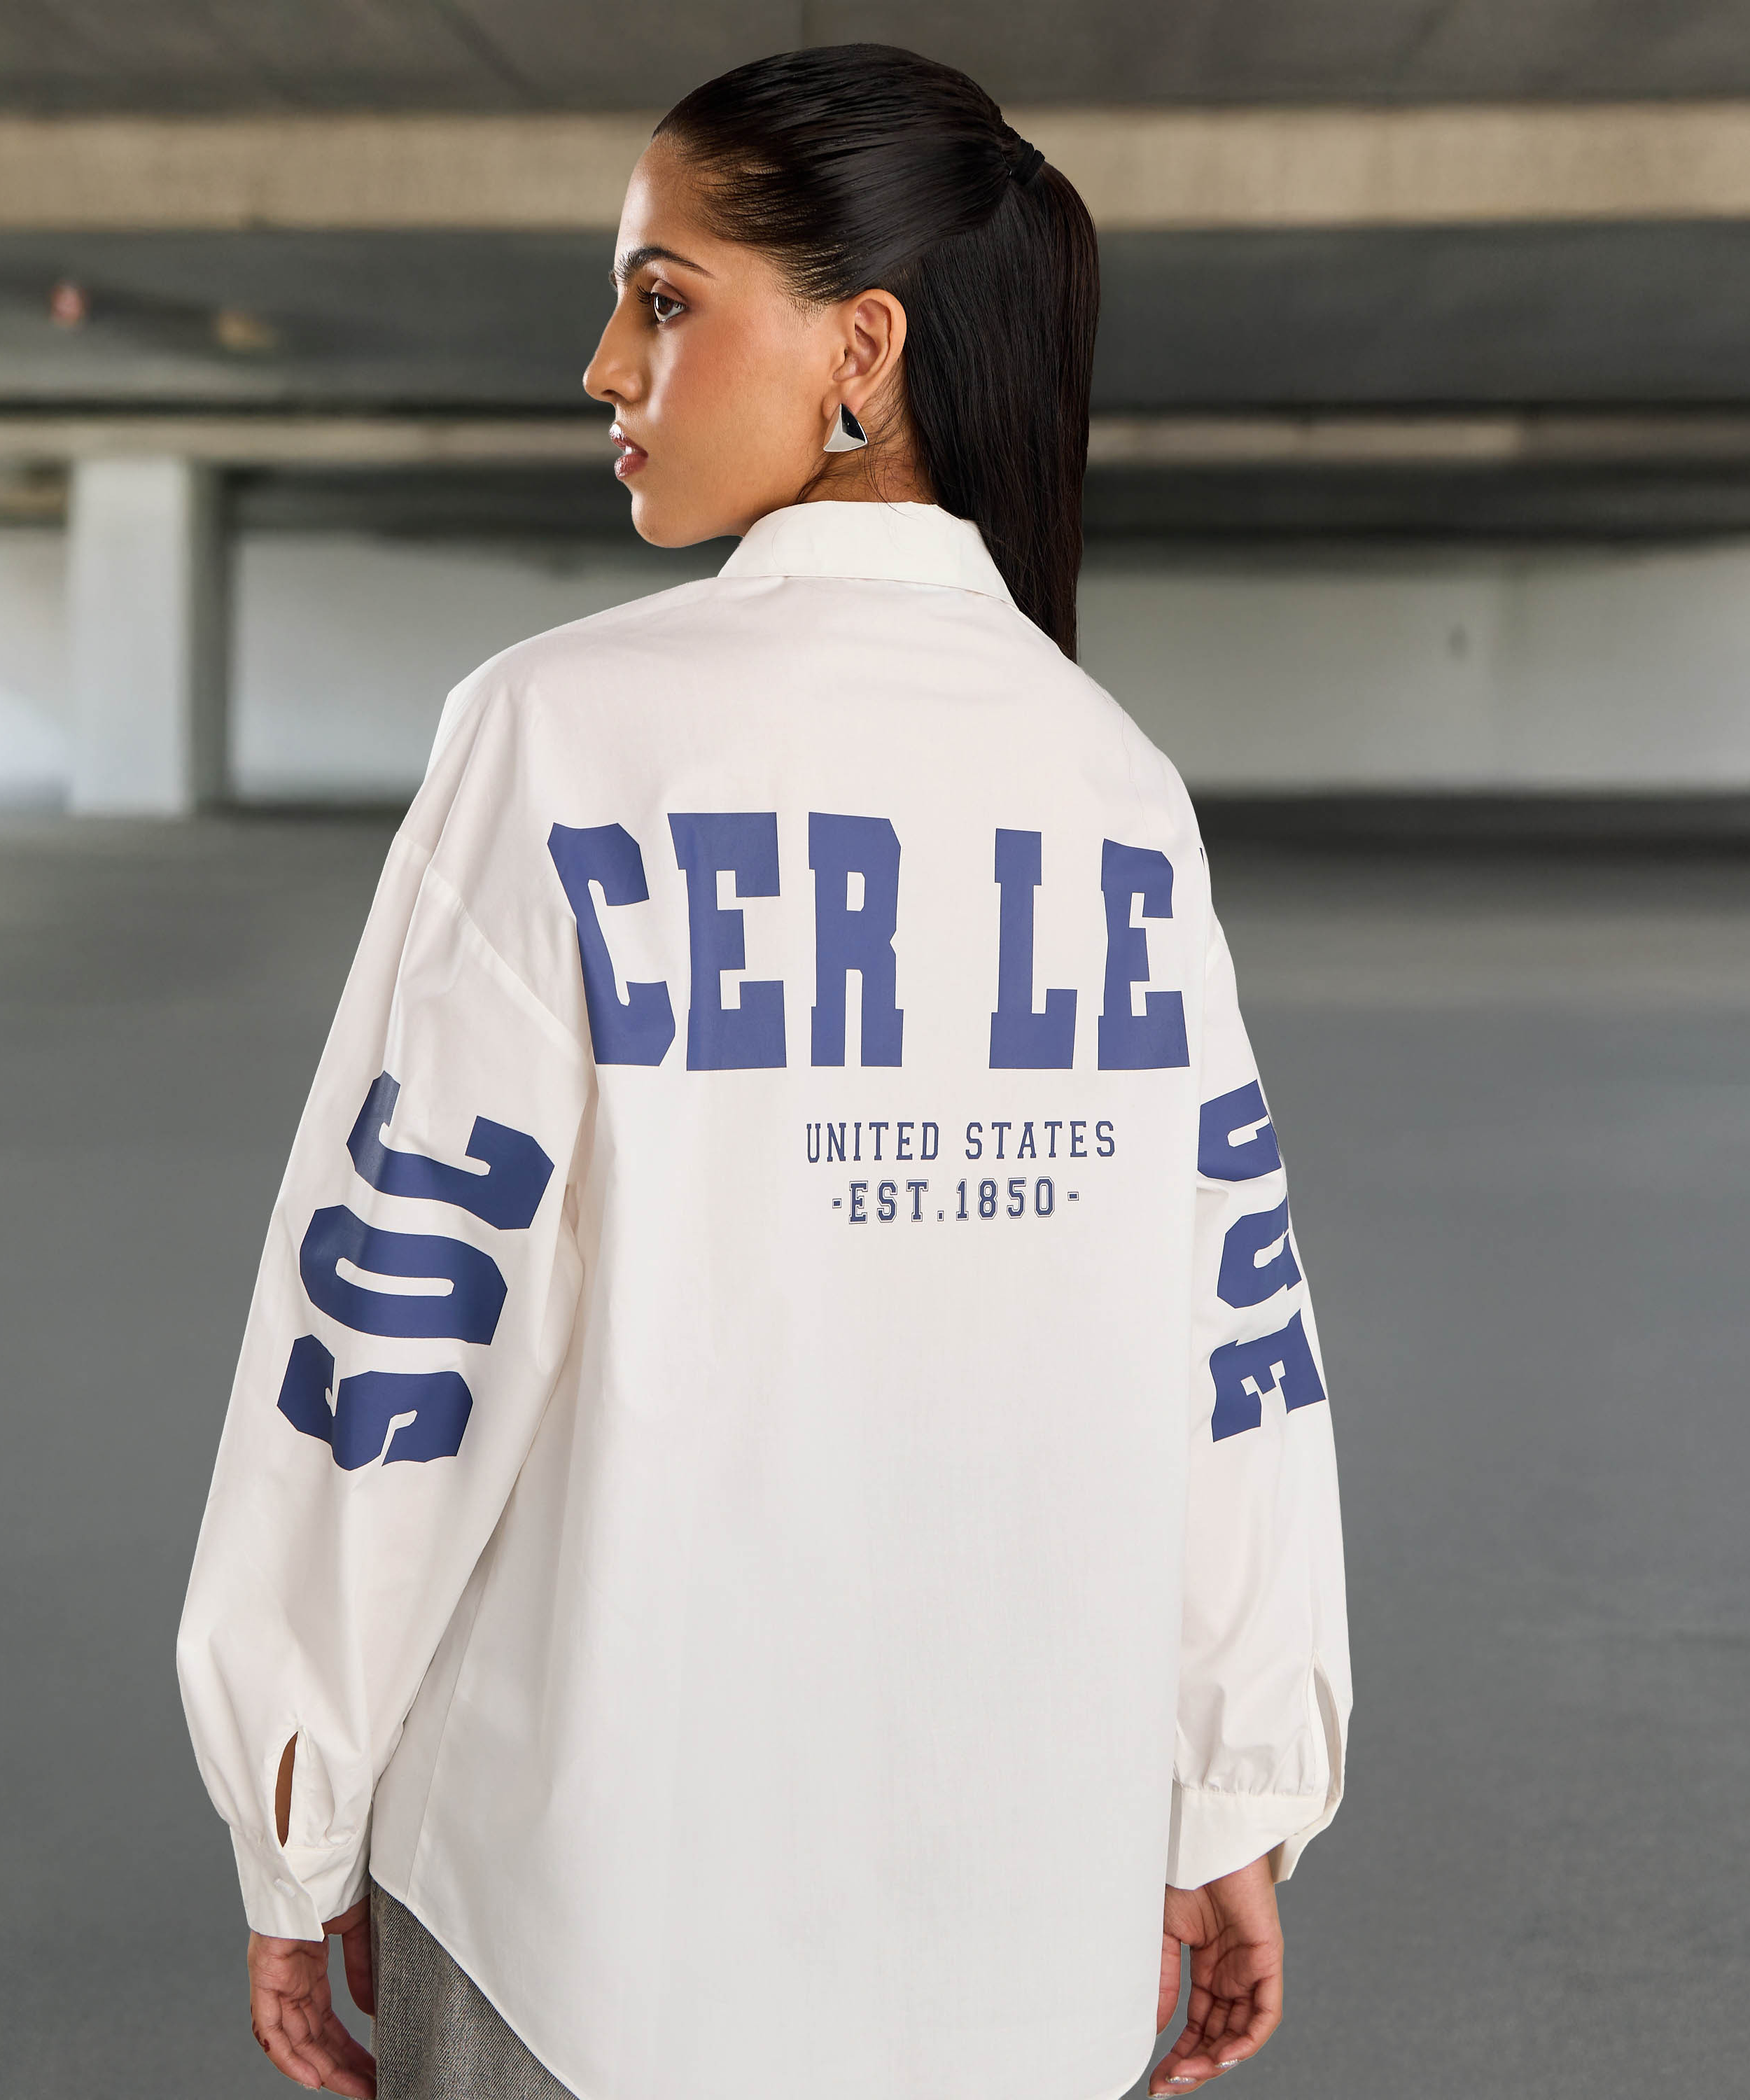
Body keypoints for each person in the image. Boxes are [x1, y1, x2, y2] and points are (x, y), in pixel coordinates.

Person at [176, 43, 1350, 2100]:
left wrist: (300, 1792)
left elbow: (401, 1315)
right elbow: (1235, 1344)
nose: (602, 365)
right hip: (1028, 1932)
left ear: (860, 350)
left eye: (662, 296)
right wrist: (1232, 1782)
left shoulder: (562, 736)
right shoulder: (1115, 788)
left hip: (591, 1931)